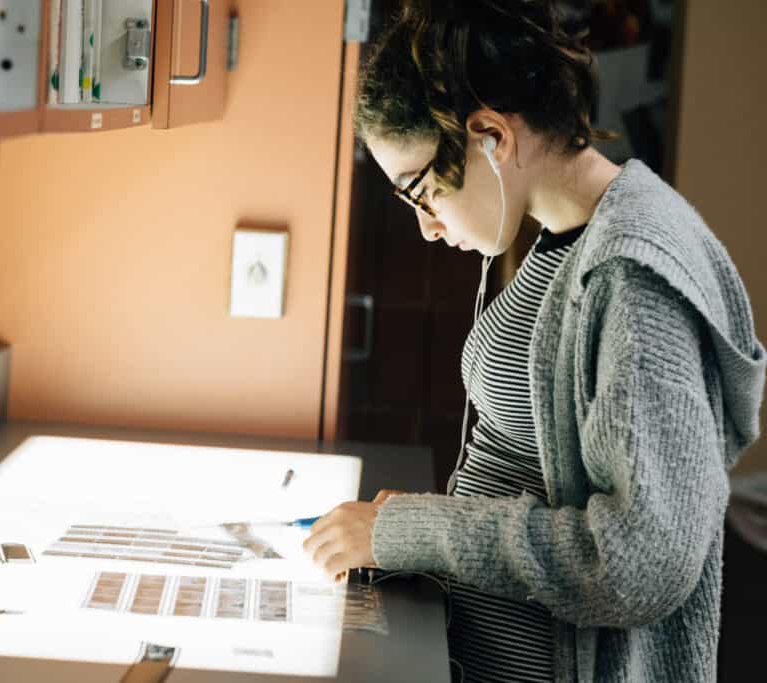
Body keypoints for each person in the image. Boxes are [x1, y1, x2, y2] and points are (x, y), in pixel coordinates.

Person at [301, 1, 766, 681]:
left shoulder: (635, 278)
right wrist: (405, 530)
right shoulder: (564, 238)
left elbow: (641, 563)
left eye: (422, 191)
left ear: (492, 136)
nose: (427, 227)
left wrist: (414, 530)